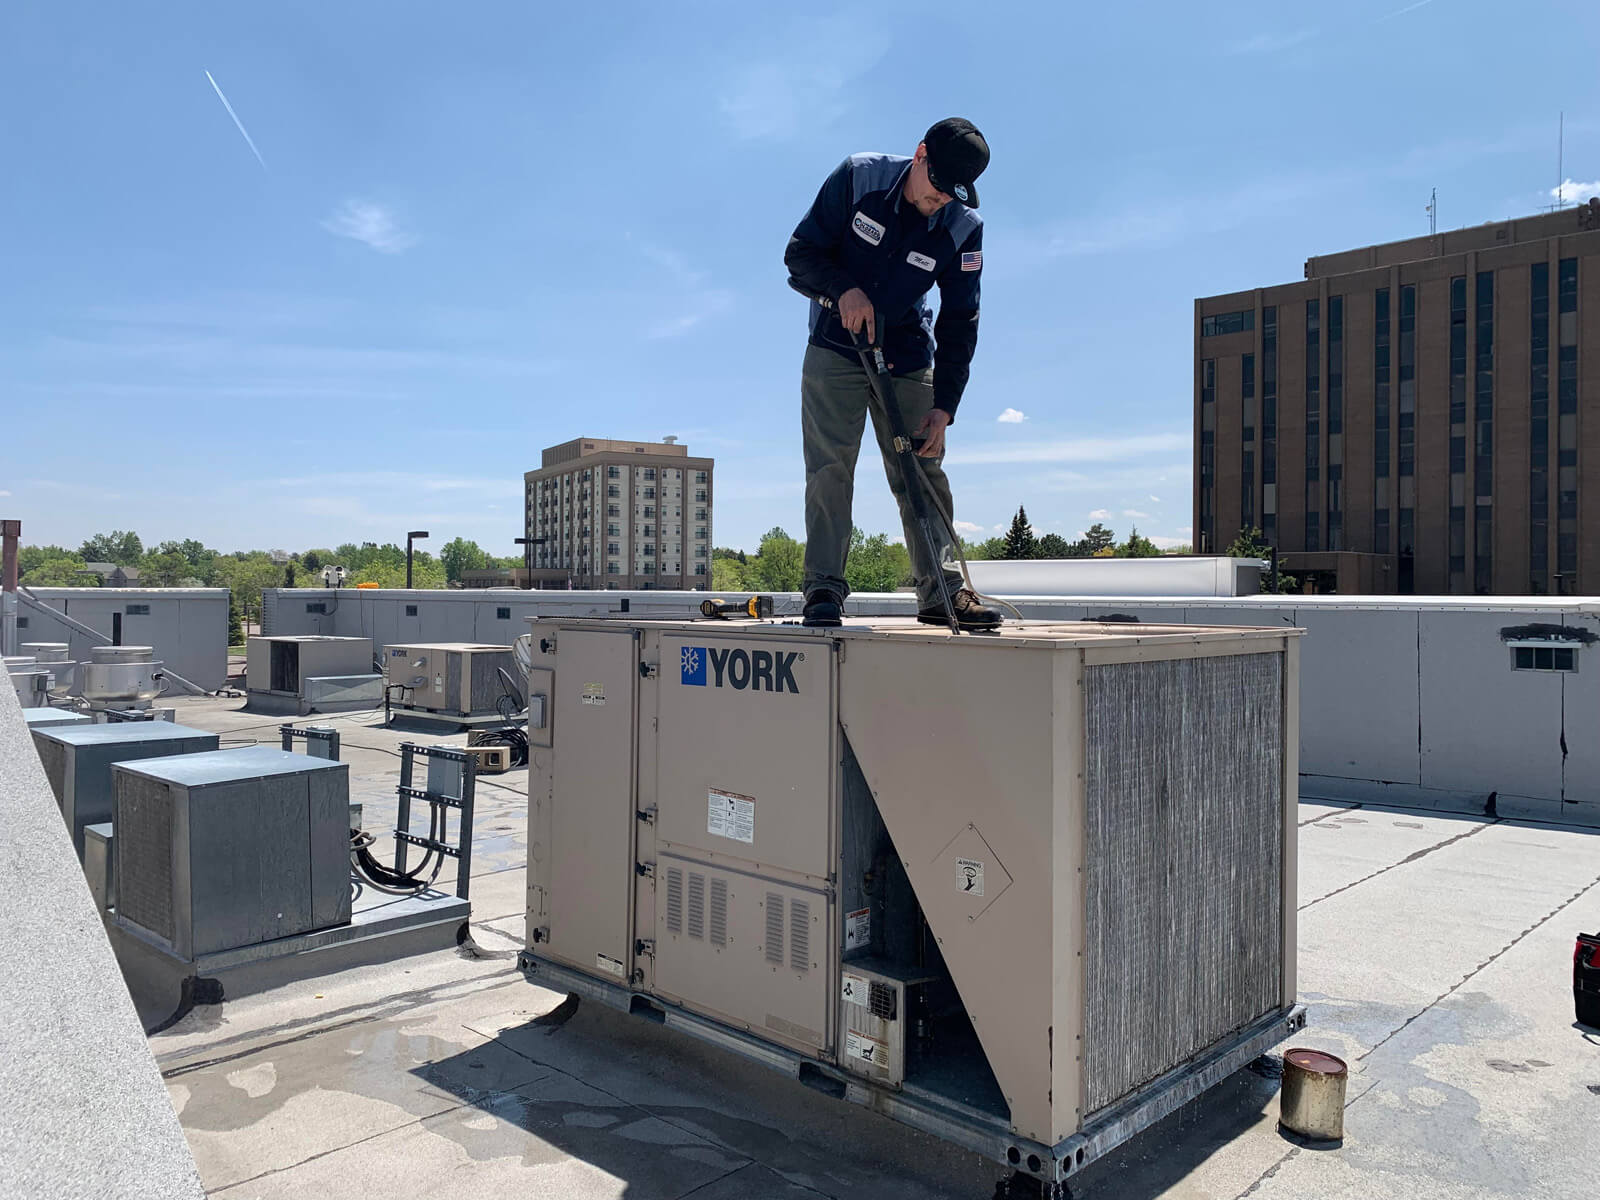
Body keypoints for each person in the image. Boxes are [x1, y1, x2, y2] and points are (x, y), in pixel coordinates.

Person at [785, 117, 1002, 630]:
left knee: (922, 470)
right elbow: (800, 254)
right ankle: (823, 589)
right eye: (937, 188)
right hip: (835, 348)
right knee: (829, 469)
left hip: (906, 357)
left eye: (955, 194)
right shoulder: (859, 179)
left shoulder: (963, 227)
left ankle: (943, 592)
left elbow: (960, 320)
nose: (942, 201)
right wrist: (844, 290)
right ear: (920, 154)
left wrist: (945, 406)